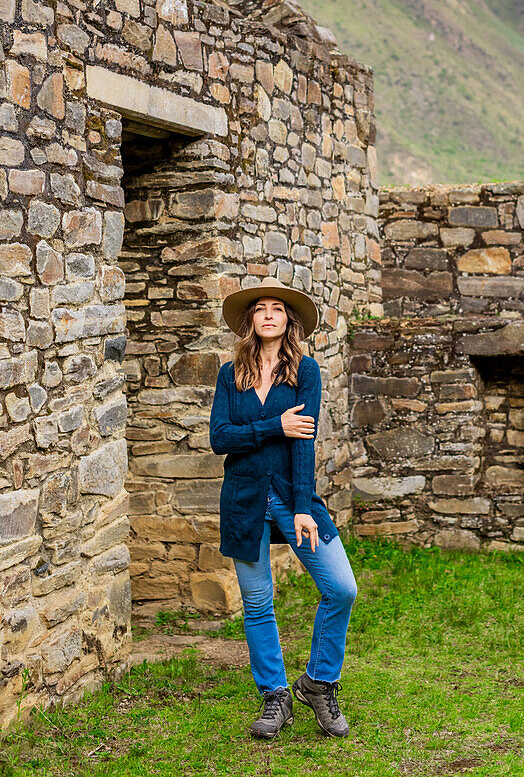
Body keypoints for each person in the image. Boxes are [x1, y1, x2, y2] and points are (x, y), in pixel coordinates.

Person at [209, 275, 358, 740]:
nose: (269, 313)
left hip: (294, 498)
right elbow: (219, 437)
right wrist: (274, 425)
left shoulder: (305, 372)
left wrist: (301, 507)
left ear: (288, 319)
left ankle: (318, 683)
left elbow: (304, 442)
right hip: (243, 499)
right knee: (257, 603)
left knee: (341, 587)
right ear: (251, 321)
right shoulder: (229, 375)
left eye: (277, 307)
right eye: (260, 308)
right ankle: (275, 696)